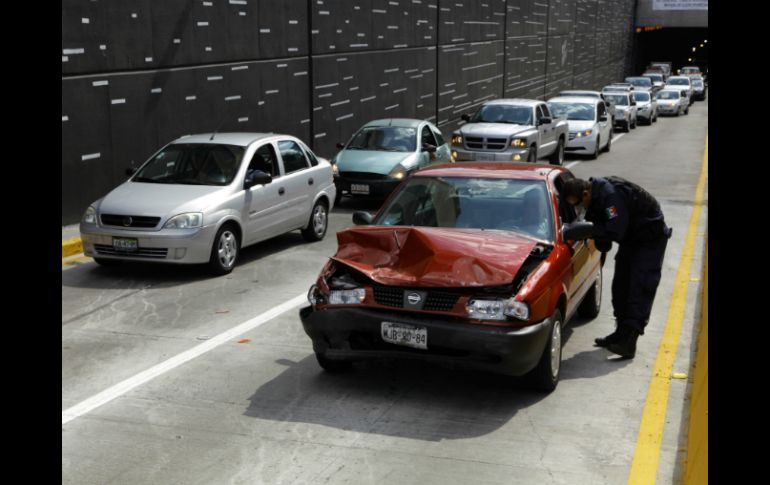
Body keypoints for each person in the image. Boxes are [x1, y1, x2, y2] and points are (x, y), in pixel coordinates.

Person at [562, 176, 673, 359]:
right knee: (621, 285)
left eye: (580, 204)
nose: (579, 209)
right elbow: (606, 236)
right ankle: (620, 333)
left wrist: (589, 230)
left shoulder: (609, 196)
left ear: (585, 193)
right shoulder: (596, 198)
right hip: (631, 239)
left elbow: (615, 229)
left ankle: (629, 341)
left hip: (649, 239)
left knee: (639, 287)